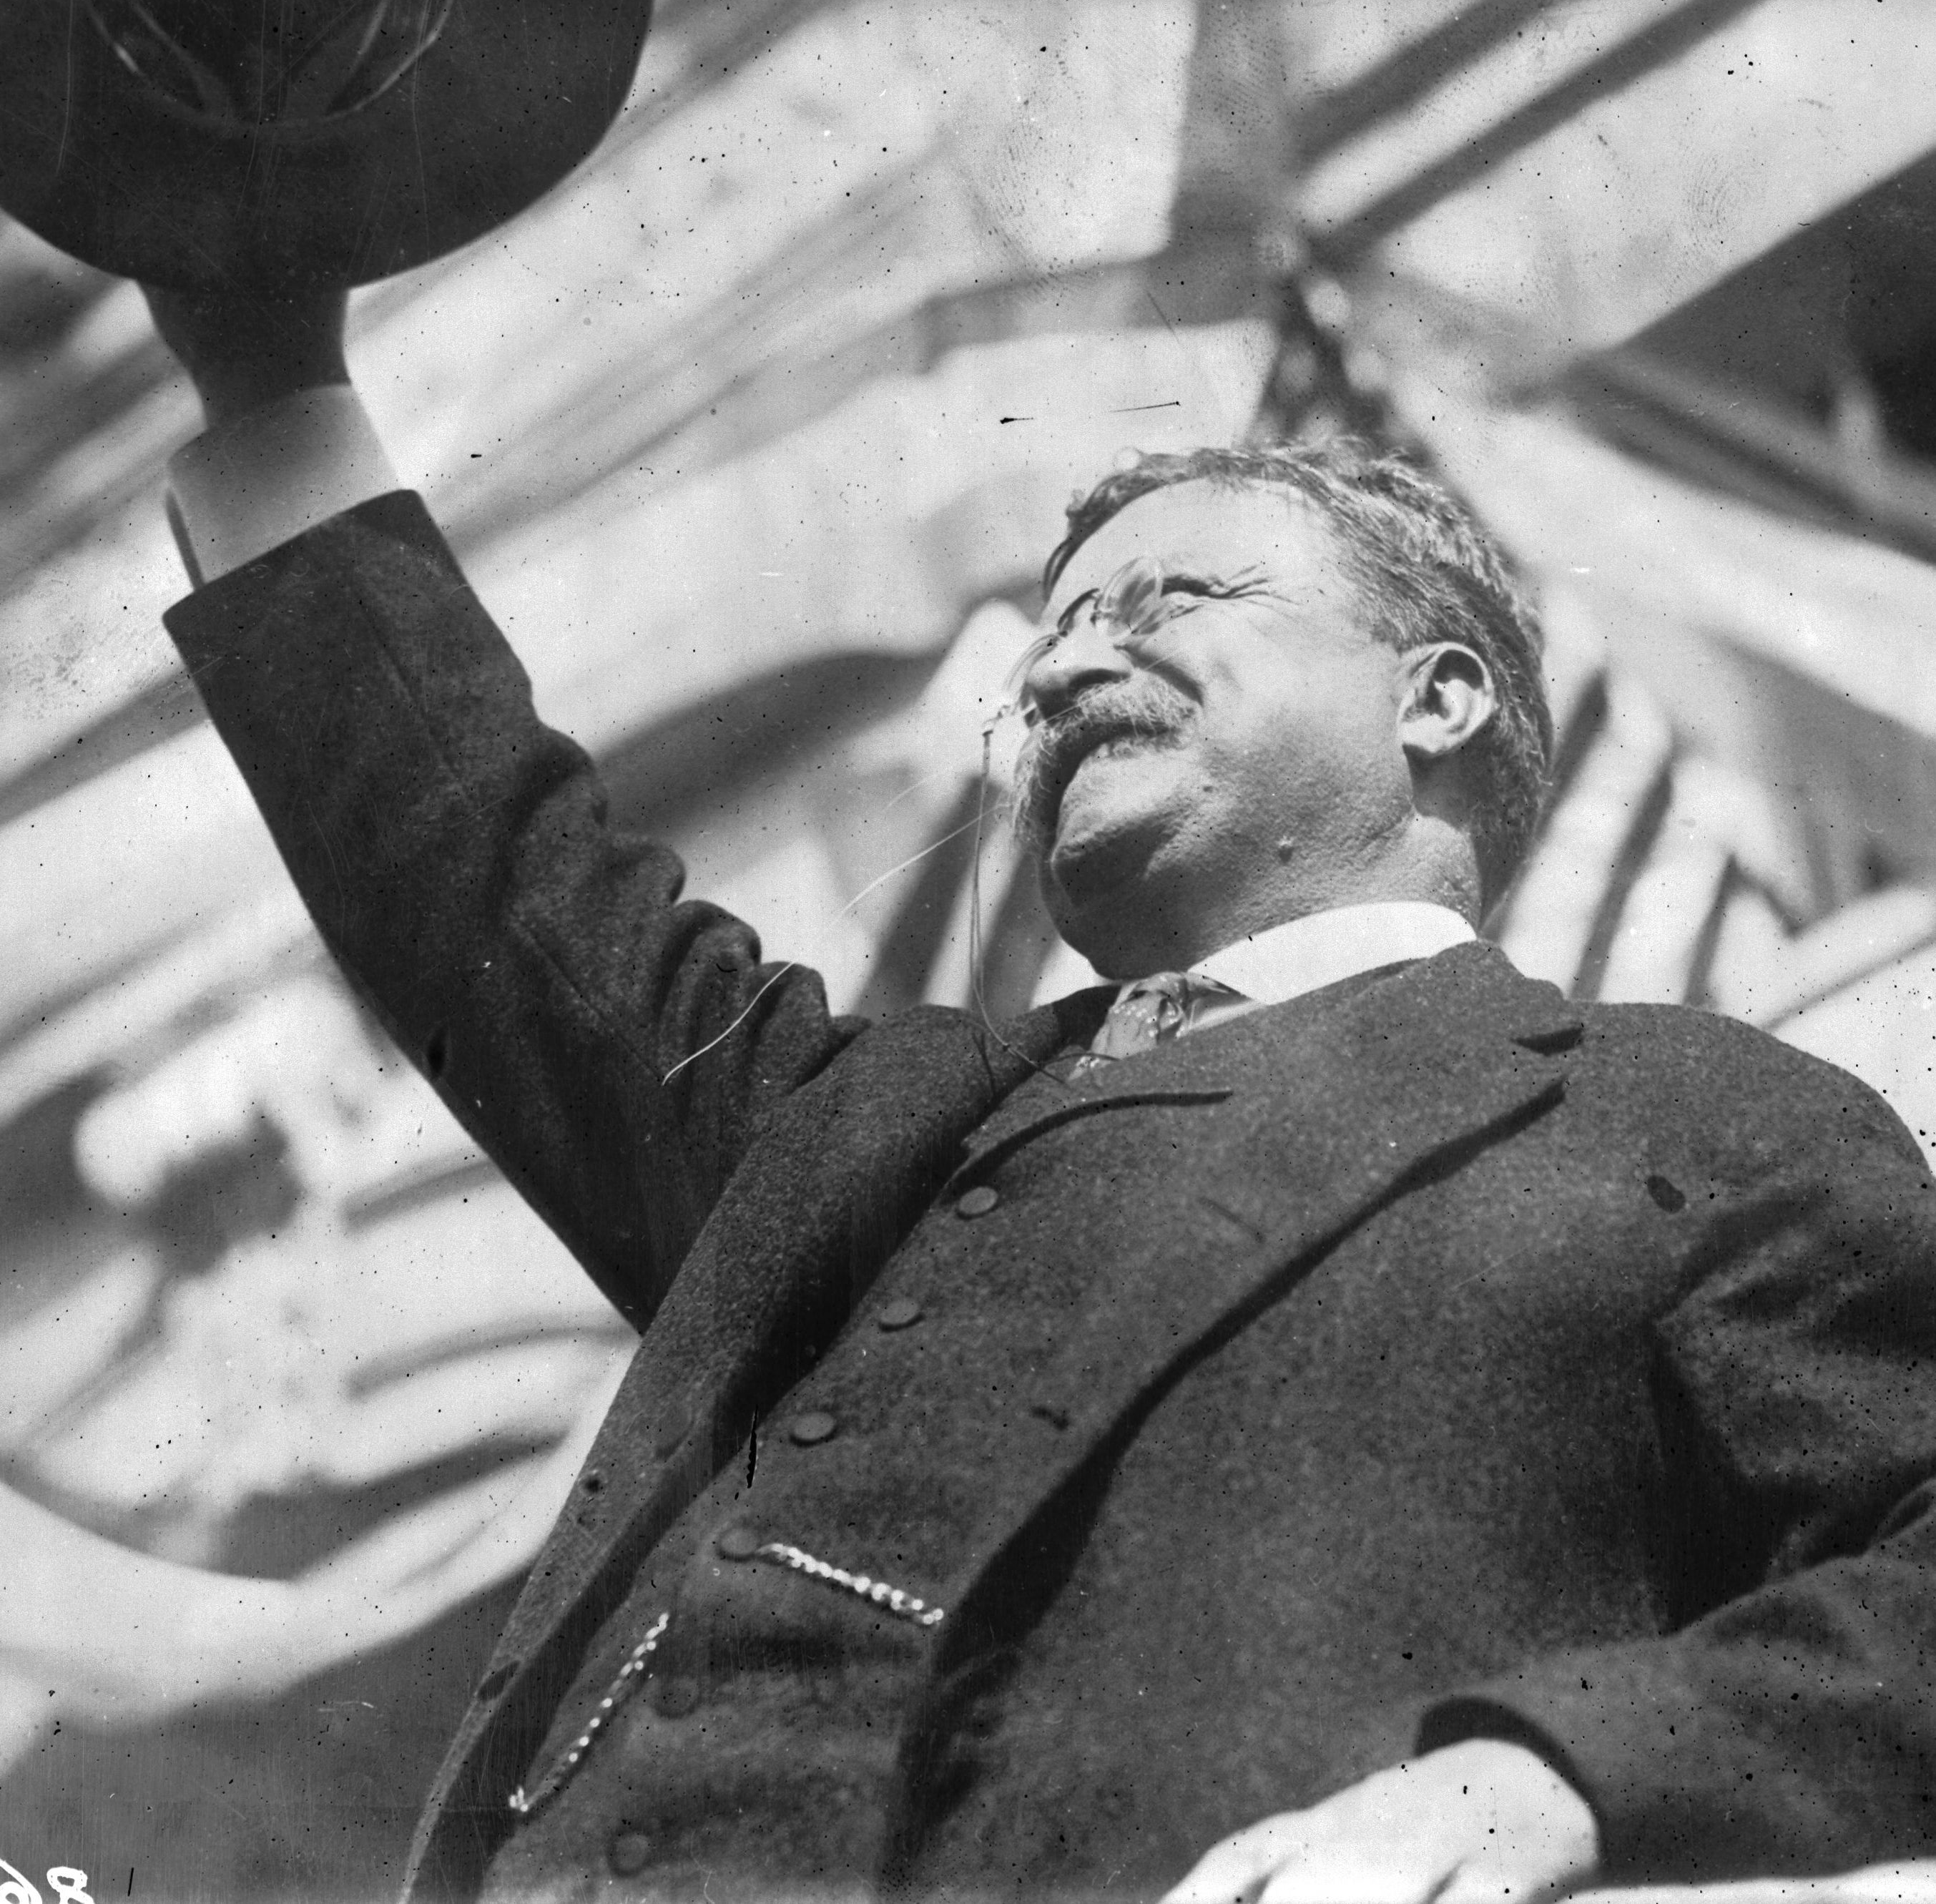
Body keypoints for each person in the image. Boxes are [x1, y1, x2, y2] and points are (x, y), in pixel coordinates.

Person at [138, 283, 1936, 1904]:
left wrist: (1547, 1778)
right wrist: (264, 361)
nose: (1063, 667)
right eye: (1057, 634)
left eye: (1174, 600)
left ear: (1441, 697)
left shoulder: (1681, 1116)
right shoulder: (857, 1128)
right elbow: (488, 881)